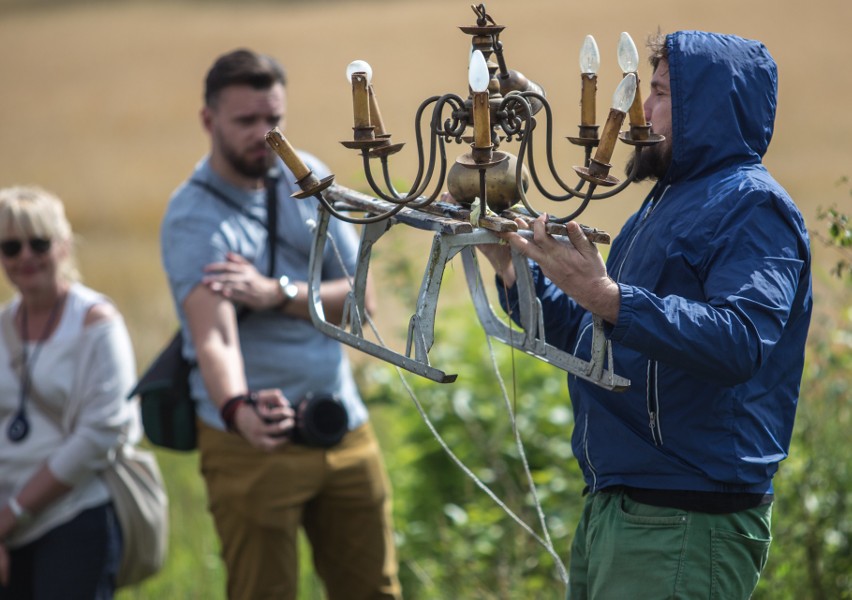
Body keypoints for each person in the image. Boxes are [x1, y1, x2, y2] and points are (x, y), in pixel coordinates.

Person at [478, 31, 812, 599]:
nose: (639, 110)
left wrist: (610, 296)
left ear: (707, 106)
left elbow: (740, 341)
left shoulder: (753, 206)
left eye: (657, 93)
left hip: (685, 518)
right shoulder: (662, 207)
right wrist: (515, 268)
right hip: (621, 510)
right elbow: (596, 339)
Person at [160, 48, 402, 600]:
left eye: (274, 120)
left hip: (340, 423)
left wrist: (277, 293)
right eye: (246, 121)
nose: (264, 135)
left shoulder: (309, 176)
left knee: (376, 590)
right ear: (208, 121)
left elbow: (360, 301)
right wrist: (238, 409)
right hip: (251, 441)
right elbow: (214, 336)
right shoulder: (194, 217)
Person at [0, 186, 139, 599]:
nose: (25, 256)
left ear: (63, 246)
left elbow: (102, 432)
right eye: (10, 246)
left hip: (74, 518)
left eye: (39, 243)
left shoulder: (96, 322)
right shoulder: (3, 325)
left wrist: (13, 514)